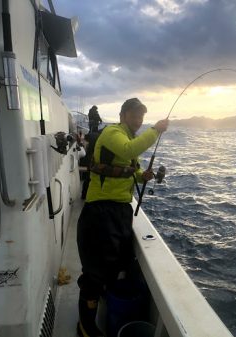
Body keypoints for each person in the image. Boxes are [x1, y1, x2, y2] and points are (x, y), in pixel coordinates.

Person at [76, 98, 169, 337]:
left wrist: (141, 176)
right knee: (94, 272)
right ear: (123, 115)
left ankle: (105, 308)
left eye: (141, 117)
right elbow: (130, 151)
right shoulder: (113, 133)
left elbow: (127, 166)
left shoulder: (126, 137)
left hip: (119, 211)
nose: (138, 121)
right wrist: (156, 130)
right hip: (100, 211)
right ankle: (85, 326)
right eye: (134, 116)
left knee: (116, 264)